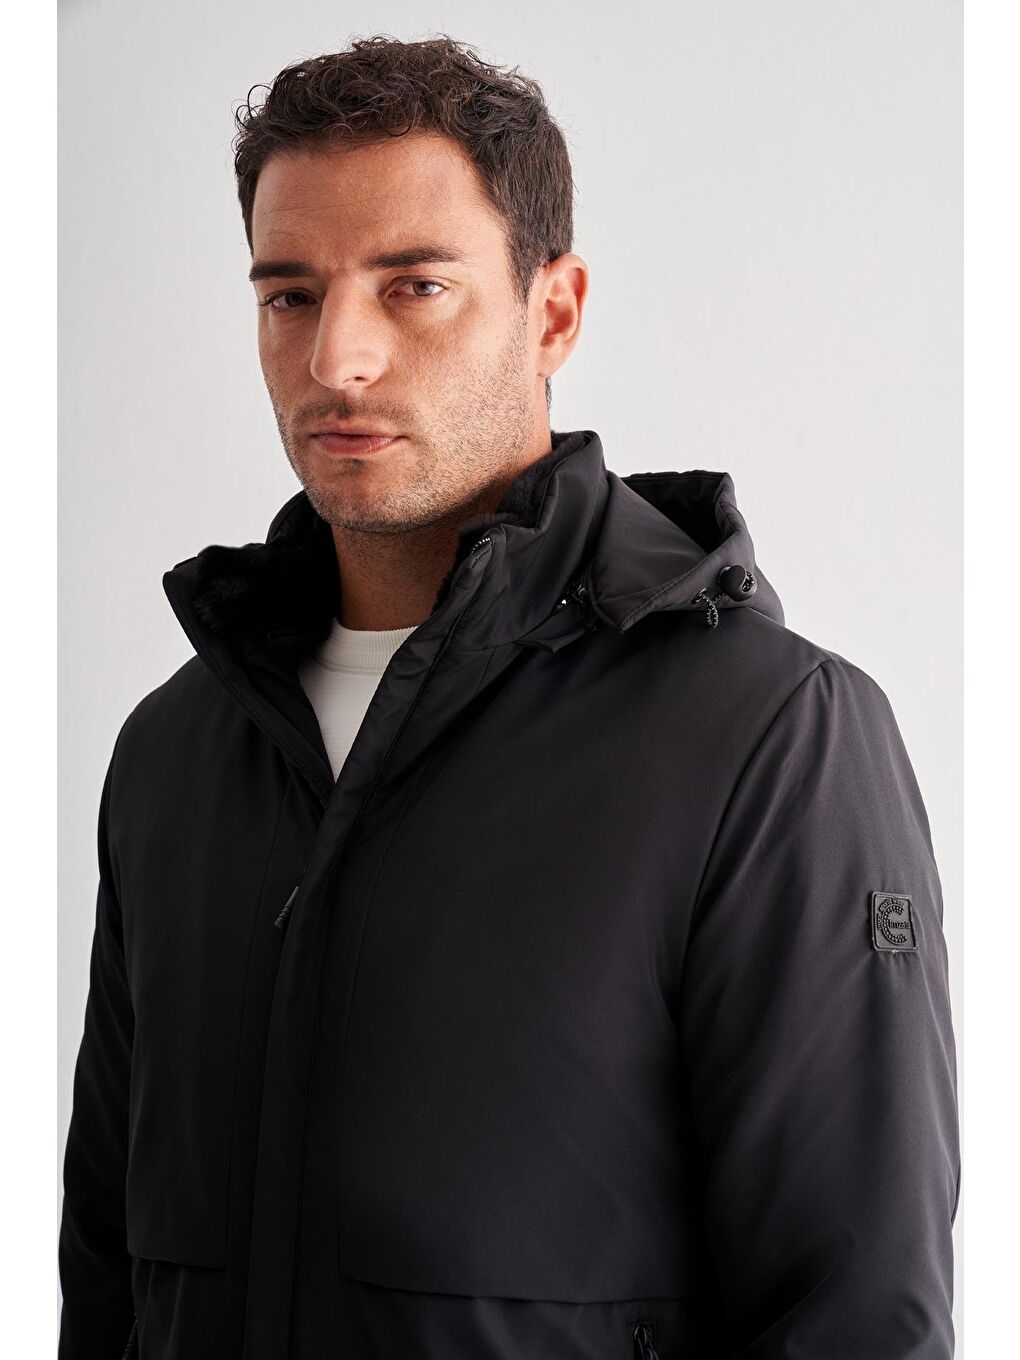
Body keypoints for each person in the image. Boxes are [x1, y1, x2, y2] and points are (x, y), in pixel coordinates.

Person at [58, 34, 960, 1360]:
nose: (337, 360)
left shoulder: (766, 739)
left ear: (554, 312)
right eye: (291, 295)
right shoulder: (178, 753)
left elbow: (854, 1315)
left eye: (414, 286)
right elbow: (107, 1288)